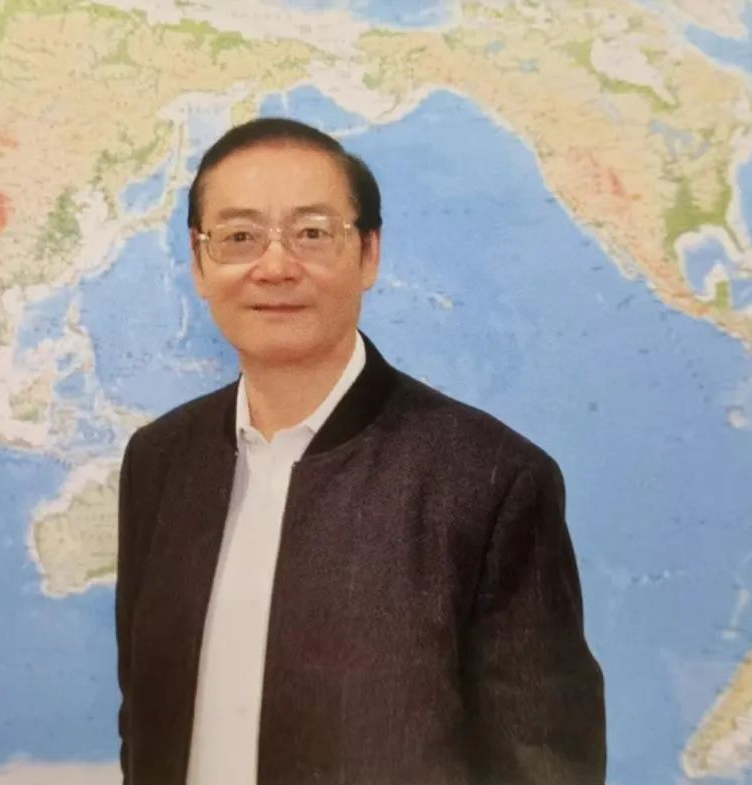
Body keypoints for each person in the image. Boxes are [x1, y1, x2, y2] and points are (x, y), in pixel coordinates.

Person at [115, 118, 606, 785]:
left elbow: (543, 763)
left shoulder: (490, 479)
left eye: (313, 233)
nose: (275, 266)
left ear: (369, 253)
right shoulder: (159, 461)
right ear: (199, 264)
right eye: (239, 237)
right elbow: (143, 720)